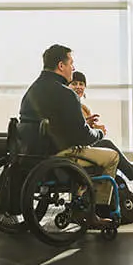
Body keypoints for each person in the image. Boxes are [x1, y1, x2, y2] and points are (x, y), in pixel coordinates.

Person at [19, 44, 119, 205]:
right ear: (61, 65)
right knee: (112, 157)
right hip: (57, 156)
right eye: (71, 63)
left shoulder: (32, 90)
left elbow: (54, 124)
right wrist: (100, 133)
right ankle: (99, 208)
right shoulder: (66, 93)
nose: (73, 68)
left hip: (32, 153)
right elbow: (84, 136)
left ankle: (81, 197)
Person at [69, 71, 133, 194]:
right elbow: (76, 131)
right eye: (74, 83)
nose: (78, 86)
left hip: (84, 143)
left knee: (107, 145)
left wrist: (95, 128)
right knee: (108, 145)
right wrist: (94, 129)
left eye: (81, 84)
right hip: (77, 148)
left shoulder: (84, 108)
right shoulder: (71, 105)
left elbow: (82, 129)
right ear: (68, 86)